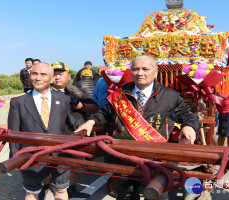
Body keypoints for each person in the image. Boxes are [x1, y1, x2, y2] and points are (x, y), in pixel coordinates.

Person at [75, 55, 200, 199]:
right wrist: (92, 121)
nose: (140, 73)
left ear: (155, 72)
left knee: (156, 195)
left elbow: (189, 116)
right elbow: (105, 114)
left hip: (156, 159)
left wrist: (189, 126)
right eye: (135, 69)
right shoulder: (120, 94)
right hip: (123, 158)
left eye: (145, 69)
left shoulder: (170, 96)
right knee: (125, 194)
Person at [9, 63, 83, 200]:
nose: (38, 78)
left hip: (60, 155)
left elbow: (72, 121)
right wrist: (15, 158)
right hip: (31, 157)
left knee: (61, 192)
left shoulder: (64, 99)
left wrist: (87, 125)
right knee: (32, 193)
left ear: (51, 78)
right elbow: (13, 133)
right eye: (34, 74)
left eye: (43, 74)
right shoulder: (18, 103)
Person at [44, 61, 97, 199]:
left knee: (75, 163)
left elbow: (94, 108)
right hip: (51, 134)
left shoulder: (78, 91)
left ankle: (71, 188)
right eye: (54, 74)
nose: (57, 77)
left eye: (61, 74)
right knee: (47, 163)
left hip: (74, 134)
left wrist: (80, 106)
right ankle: (43, 188)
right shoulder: (43, 93)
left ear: (69, 76)